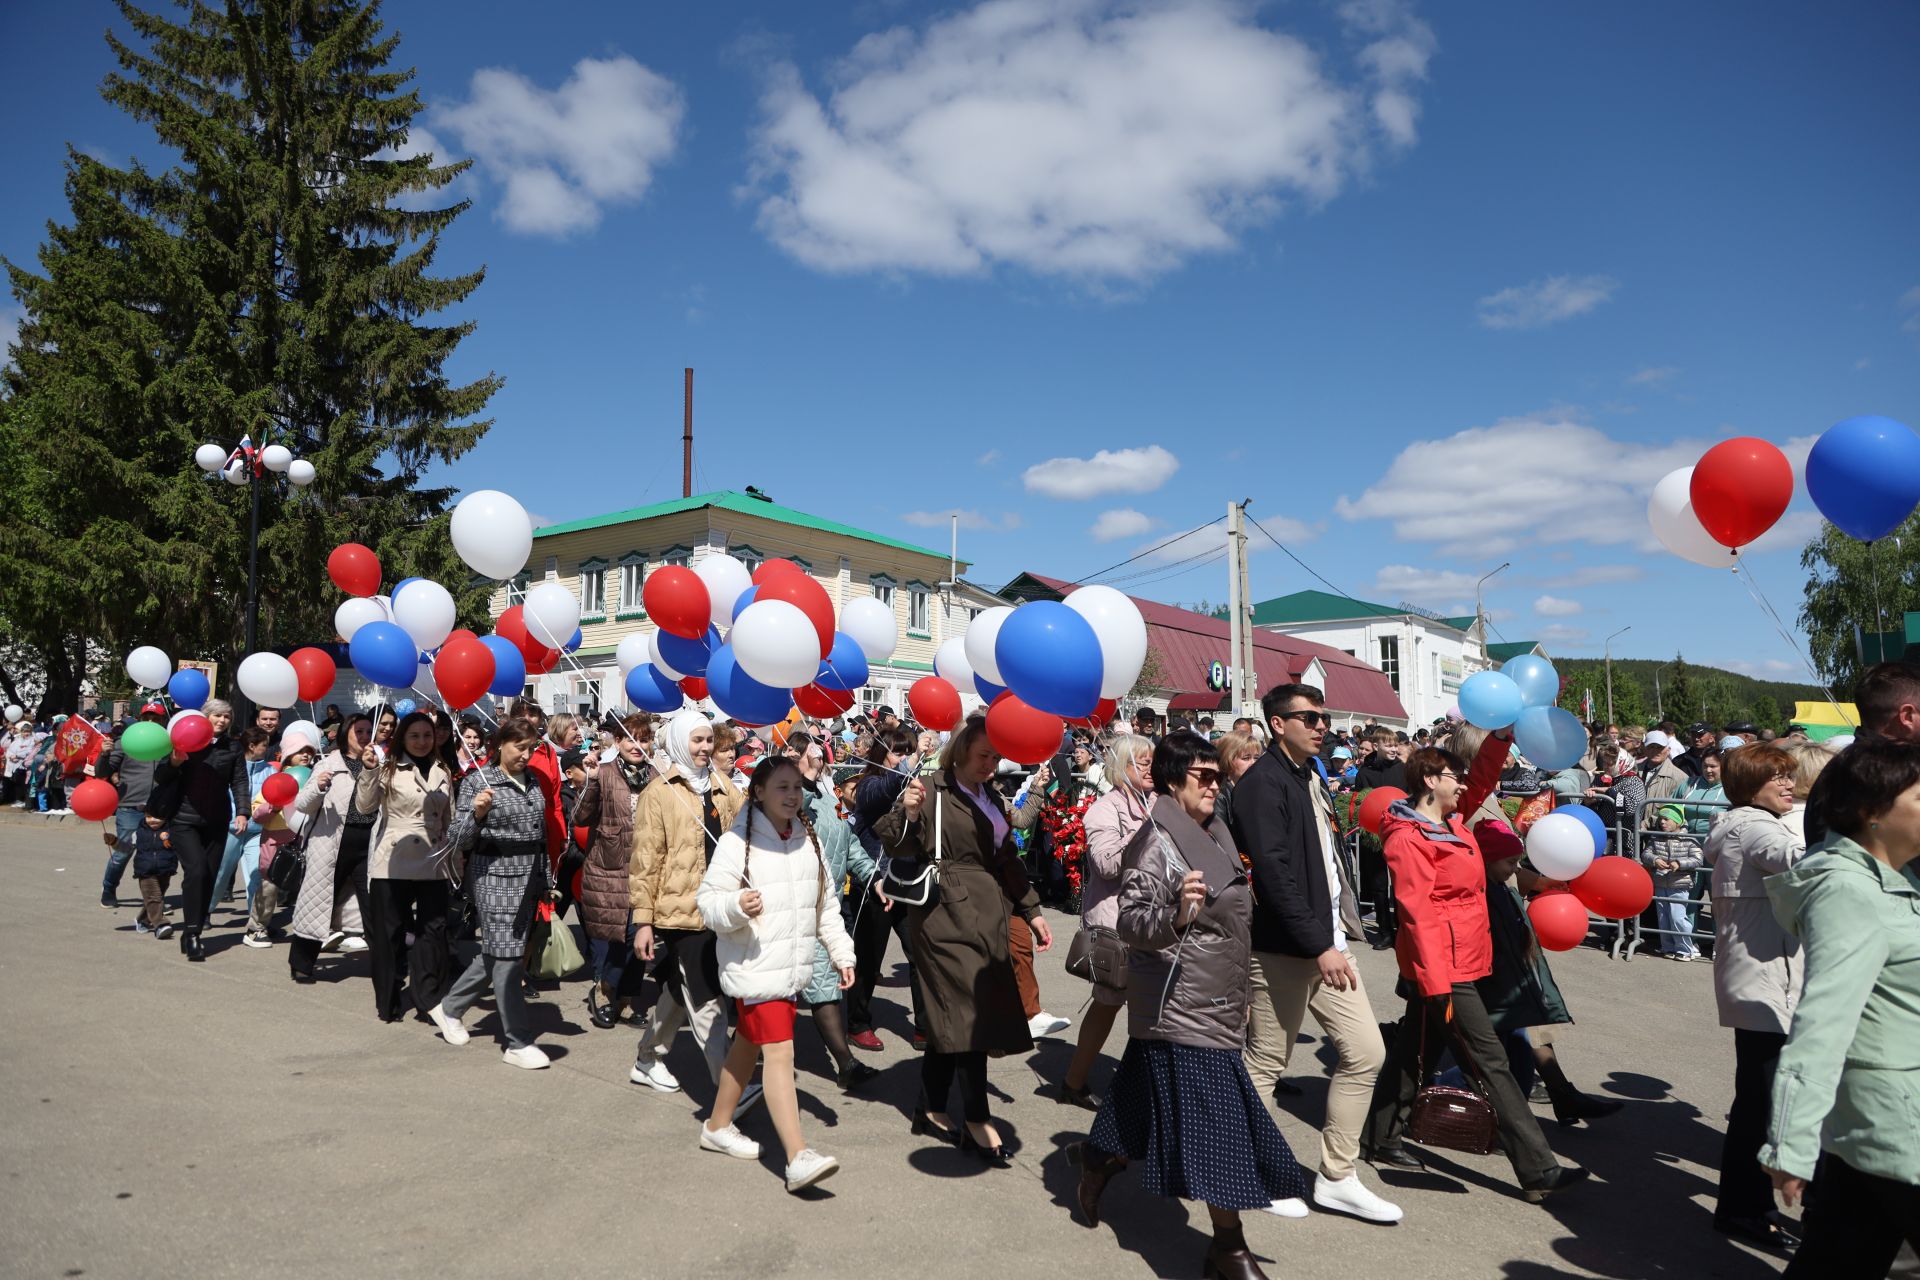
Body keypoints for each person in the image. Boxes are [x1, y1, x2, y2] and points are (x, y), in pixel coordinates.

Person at [1073, 732, 1309, 1279]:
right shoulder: (1154, 840)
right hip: (1178, 1002)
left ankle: (1097, 1156)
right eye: (1203, 776)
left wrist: (1243, 994)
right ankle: (1228, 1246)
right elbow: (1132, 921)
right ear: (1173, 781)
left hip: (1216, 998)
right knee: (1217, 1124)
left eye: (1217, 775)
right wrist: (1176, 915)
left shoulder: (1214, 830)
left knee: (1139, 1099)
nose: (1214, 784)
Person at [1364, 746, 1587, 1202]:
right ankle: (1538, 1169)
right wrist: (1435, 983)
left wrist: (1502, 735)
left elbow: (1483, 775)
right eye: (1454, 777)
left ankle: (1381, 1137)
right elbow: (1416, 913)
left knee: (1414, 1048)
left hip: (1464, 960)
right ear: (1430, 781)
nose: (1464, 786)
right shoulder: (1408, 837)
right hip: (1442, 969)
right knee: (1491, 1063)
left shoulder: (1451, 821)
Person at [1227, 684, 1399, 1223]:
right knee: (1265, 1062)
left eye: (1323, 716)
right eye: (1308, 718)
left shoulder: (1309, 776)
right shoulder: (1262, 783)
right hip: (1285, 946)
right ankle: (1243, 1169)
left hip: (1326, 942)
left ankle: (1337, 1177)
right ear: (1278, 724)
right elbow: (1274, 875)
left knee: (1366, 1052)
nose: (1321, 725)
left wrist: (1335, 937)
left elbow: (1322, 865)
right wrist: (1319, 943)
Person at [1760, 742, 1920, 1275]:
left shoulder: (1896, 879)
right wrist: (1792, 1146)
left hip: (1886, 1122)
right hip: (1895, 1125)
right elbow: (1822, 1027)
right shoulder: (1847, 890)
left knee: (1837, 1259)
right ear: (1872, 812)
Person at [873, 714, 1054, 1167]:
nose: (991, 765)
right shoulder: (933, 788)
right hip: (944, 916)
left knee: (954, 1015)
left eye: (996, 757)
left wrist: (1030, 909)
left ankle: (929, 1107)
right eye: (983, 755)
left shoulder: (990, 792)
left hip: (987, 914)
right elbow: (895, 843)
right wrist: (909, 811)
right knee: (971, 1015)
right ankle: (977, 1118)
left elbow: (1008, 855)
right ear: (960, 751)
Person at [695, 756, 858, 1192]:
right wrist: (735, 906)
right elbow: (708, 904)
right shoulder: (736, 843)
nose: (791, 795)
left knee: (748, 1047)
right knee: (780, 1052)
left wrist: (843, 953)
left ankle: (717, 1125)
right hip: (753, 969)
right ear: (759, 792)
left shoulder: (810, 841)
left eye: (796, 787)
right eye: (781, 787)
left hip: (790, 971)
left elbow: (824, 906)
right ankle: (797, 1156)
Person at [1702, 742, 1805, 1251]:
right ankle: (1744, 1210)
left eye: (1790, 776)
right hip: (1765, 987)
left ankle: (1742, 1207)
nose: (1789, 785)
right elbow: (1799, 859)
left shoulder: (1751, 823)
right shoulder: (1753, 827)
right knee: (1759, 1107)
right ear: (1749, 785)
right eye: (1778, 777)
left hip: (1766, 984)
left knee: (1758, 1103)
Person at [628, 710, 752, 1107]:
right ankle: (730, 1088)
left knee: (679, 990)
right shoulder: (660, 792)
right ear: (680, 742)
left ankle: (647, 1057)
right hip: (681, 912)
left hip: (720, 906)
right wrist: (643, 922)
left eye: (707, 741)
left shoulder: (721, 785)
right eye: (696, 741)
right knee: (708, 999)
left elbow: (748, 823)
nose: (704, 748)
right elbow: (646, 861)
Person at [427, 718, 553, 1068]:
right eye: (519, 747)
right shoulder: (478, 781)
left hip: (528, 878)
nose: (526, 755)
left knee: (497, 953)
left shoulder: (534, 781)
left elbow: (539, 834)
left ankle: (449, 1008)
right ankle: (517, 1040)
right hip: (493, 877)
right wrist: (478, 814)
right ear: (500, 745)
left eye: (531, 748)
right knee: (510, 960)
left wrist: (545, 879)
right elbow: (458, 837)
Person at [1058, 733, 1153, 1110]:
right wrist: (1149, 829)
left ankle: (1144, 1089)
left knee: (1153, 1007)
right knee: (1108, 1002)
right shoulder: (1104, 809)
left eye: (1151, 761)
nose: (1150, 768)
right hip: (1118, 923)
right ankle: (1073, 1081)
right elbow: (1107, 864)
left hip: (1155, 920)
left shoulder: (1159, 802)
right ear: (1120, 768)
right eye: (1141, 762)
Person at [354, 710, 456, 1023]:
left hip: (434, 860)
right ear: (402, 739)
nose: (422, 742)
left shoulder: (443, 770)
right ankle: (388, 998)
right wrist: (369, 772)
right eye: (414, 736)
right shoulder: (386, 768)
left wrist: (454, 857)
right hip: (393, 861)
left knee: (433, 932)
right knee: (390, 934)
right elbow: (364, 807)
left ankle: (427, 996)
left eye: (428, 735)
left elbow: (448, 817)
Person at [792, 732, 881, 1090]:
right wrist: (804, 776)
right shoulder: (791, 796)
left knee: (826, 982)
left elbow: (850, 843)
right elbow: (797, 807)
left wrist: (873, 877)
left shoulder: (828, 800)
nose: (819, 752)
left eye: (820, 747)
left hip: (827, 904)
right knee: (771, 997)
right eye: (810, 748)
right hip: (792, 907)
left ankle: (845, 1063)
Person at [574, 713, 656, 1029]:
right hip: (611, 869)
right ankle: (612, 993)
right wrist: (591, 781)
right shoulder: (603, 773)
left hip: (647, 869)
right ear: (618, 742)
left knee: (640, 934)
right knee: (623, 938)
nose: (638, 745)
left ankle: (619, 996)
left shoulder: (656, 776)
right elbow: (581, 817)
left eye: (644, 739)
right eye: (631, 738)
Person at [844, 727, 923, 1052]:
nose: (903, 759)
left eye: (908, 752)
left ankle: (925, 1026)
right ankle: (857, 1023)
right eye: (897, 752)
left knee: (920, 956)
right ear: (881, 755)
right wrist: (912, 764)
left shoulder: (916, 785)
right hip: (873, 885)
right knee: (868, 959)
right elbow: (886, 788)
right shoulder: (868, 785)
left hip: (908, 883)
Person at [150, 698, 246, 961]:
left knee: (210, 877)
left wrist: (243, 812)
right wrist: (174, 763)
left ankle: (194, 928)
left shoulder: (233, 747)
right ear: (205, 717)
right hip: (184, 820)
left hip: (217, 820)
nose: (222, 720)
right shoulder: (185, 741)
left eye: (227, 716)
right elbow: (161, 778)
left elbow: (239, 781)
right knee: (197, 871)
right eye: (217, 715)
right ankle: (192, 933)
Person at [287, 714, 376, 981]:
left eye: (368, 731)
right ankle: (301, 963)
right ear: (347, 733)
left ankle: (389, 965)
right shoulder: (328, 764)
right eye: (359, 731)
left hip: (368, 843)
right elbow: (303, 804)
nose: (364, 736)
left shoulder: (376, 764)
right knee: (319, 901)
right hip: (333, 842)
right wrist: (319, 788)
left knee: (375, 905)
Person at [242, 737, 318, 948]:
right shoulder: (275, 780)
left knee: (305, 887)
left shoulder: (314, 779)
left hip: (304, 839)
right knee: (269, 888)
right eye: (300, 751)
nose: (305, 755)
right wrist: (274, 805)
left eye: (309, 751)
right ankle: (255, 929)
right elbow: (257, 815)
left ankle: (308, 930)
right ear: (287, 756)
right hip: (275, 842)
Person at [97, 702, 167, 907]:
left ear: (163, 721)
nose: (151, 722)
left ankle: (153, 899)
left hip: (160, 809)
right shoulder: (124, 742)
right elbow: (103, 772)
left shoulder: (169, 743)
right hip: (130, 808)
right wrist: (104, 753)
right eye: (147, 717)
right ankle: (109, 888)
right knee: (123, 851)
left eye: (156, 718)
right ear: (140, 719)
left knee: (158, 855)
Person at [1641, 804, 1704, 960]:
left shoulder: (1689, 839)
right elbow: (1646, 854)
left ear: (1678, 822)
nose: (1662, 822)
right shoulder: (1656, 837)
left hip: (1679, 884)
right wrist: (1655, 860)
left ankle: (1685, 949)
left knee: (1677, 918)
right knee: (1663, 918)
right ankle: (1668, 947)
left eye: (1667, 819)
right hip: (1661, 882)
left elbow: (1698, 859)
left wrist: (1680, 863)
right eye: (1661, 819)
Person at [1211, 729, 1262, 832]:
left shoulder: (1257, 788)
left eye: (1256, 758)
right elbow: (1221, 837)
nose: (1253, 763)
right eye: (1246, 758)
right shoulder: (1220, 796)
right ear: (1227, 759)